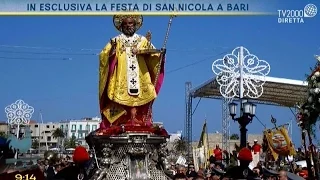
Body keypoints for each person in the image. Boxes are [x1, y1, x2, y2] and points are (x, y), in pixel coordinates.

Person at [99, 14, 166, 128]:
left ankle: (140, 121)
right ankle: (118, 123)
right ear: (121, 26)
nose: (128, 26)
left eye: (130, 23)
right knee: (117, 100)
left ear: (135, 24)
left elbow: (152, 53)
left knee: (141, 101)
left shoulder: (142, 40)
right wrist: (112, 53)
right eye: (125, 24)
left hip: (140, 78)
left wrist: (160, 54)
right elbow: (104, 56)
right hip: (121, 78)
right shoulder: (116, 40)